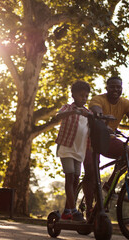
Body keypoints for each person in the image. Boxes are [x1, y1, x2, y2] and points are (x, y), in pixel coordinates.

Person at [83, 76, 129, 218]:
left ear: (121, 88)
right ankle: (89, 208)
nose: (115, 89)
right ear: (107, 88)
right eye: (112, 86)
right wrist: (103, 123)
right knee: (91, 171)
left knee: (128, 153)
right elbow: (97, 113)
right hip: (90, 140)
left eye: (118, 87)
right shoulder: (98, 99)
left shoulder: (125, 103)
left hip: (108, 140)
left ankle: (109, 185)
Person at [55, 80, 92, 221]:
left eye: (86, 96)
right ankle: (75, 211)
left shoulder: (88, 113)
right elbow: (58, 116)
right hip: (66, 148)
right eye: (81, 95)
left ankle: (67, 211)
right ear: (73, 95)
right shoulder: (67, 108)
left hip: (79, 151)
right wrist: (72, 111)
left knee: (76, 180)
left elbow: (95, 125)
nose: (84, 98)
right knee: (69, 177)